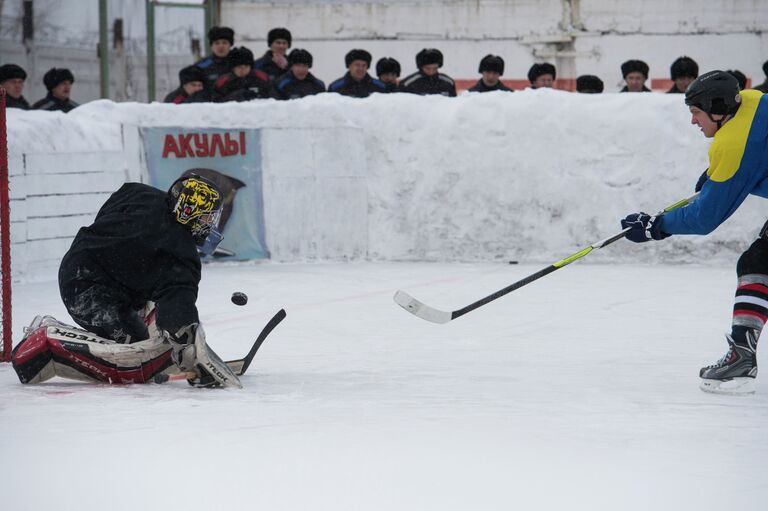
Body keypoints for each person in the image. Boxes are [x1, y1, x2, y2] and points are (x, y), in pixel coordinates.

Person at [10, 175, 240, 388]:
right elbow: (178, 316)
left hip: (79, 262)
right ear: (189, 210)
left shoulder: (142, 193)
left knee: (154, 322)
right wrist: (191, 354)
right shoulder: (182, 252)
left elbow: (114, 205)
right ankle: (46, 344)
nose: (209, 224)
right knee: (135, 358)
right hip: (88, 292)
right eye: (206, 216)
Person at [620, 70, 768, 395]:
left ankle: (742, 357)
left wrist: (656, 226)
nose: (693, 122)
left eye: (696, 113)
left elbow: (705, 219)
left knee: (758, 265)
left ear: (717, 108)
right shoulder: (753, 102)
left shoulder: (731, 145)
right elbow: (757, 160)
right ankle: (742, 354)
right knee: (758, 263)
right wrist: (720, 177)